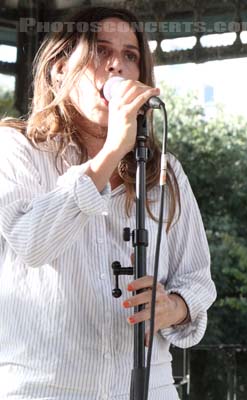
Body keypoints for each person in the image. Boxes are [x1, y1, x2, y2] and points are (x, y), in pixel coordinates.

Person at [0, 7, 216, 399]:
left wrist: (175, 307)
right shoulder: (17, 150)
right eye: (101, 51)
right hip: (46, 389)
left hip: (150, 388)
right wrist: (111, 153)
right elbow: (31, 243)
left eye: (130, 55)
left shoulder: (164, 171)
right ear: (60, 68)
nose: (117, 65)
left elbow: (197, 278)